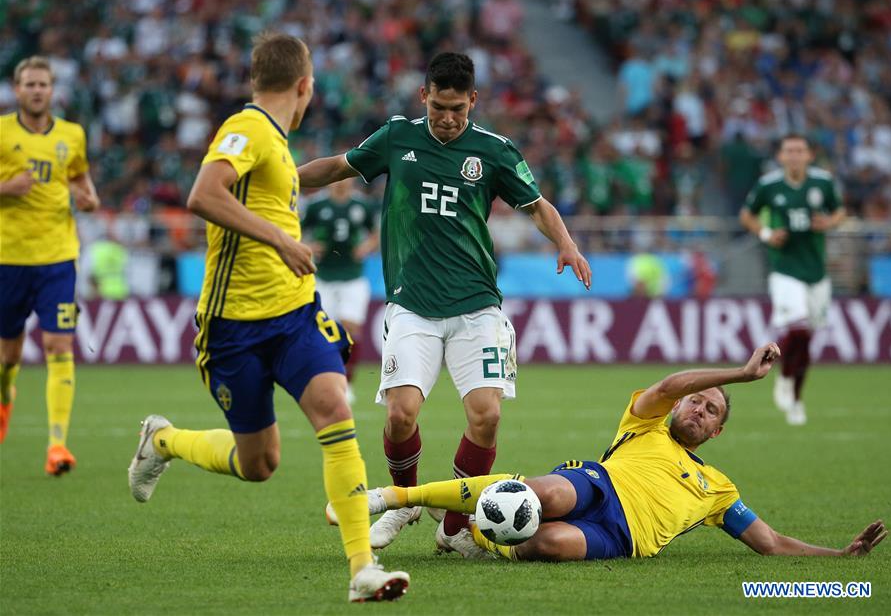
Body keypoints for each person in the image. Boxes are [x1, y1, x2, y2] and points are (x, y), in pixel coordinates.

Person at [126, 32, 408, 603]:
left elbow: (285, 184)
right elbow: (204, 194)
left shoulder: (276, 143)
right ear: (304, 86)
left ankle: (362, 569)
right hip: (232, 327)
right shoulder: (250, 129)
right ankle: (164, 442)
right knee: (259, 464)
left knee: (334, 407)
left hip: (295, 314)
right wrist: (279, 236)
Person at [297, 52, 592, 556]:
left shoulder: (495, 151)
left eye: (458, 108)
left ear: (473, 101)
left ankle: (454, 527)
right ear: (424, 97)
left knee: (487, 417)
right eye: (439, 107)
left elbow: (536, 205)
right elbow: (337, 167)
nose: (448, 118)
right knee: (400, 414)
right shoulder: (397, 137)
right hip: (412, 304)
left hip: (477, 304)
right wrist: (278, 177)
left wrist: (565, 242)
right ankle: (404, 504)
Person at [337, 343, 887, 562]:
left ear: (717, 433)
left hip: (624, 538)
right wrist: (739, 376)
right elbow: (671, 383)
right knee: (544, 494)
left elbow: (768, 543)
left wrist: (839, 558)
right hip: (599, 482)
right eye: (696, 401)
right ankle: (397, 497)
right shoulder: (646, 424)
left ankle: (461, 532)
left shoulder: (718, 489)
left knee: (549, 543)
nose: (698, 408)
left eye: (712, 410)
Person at [0, 56, 100, 475]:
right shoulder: (2, 132)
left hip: (59, 258)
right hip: (9, 258)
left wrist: (88, 197)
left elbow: (79, 177)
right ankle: (6, 399)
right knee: (8, 357)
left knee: (59, 347)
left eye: (43, 84)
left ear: (52, 90)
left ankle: (57, 446)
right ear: (17, 90)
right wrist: (7, 187)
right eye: (29, 84)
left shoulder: (72, 135)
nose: (37, 90)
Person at [740, 134, 846, 426]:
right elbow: (747, 215)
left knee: (807, 337)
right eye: (790, 150)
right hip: (785, 269)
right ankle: (784, 377)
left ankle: (797, 399)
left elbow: (840, 210)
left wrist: (830, 222)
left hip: (817, 272)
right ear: (781, 156)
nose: (795, 155)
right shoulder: (769, 185)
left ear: (809, 155)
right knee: (797, 329)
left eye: (800, 150)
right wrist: (766, 234)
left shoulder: (822, 182)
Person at [302, 178, 379, 404]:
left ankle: (347, 384)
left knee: (350, 328)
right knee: (323, 332)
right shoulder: (316, 205)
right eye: (338, 178)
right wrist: (309, 247)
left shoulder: (361, 205)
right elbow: (296, 232)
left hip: (353, 278)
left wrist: (366, 247)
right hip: (323, 277)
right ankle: (323, 383)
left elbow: (375, 234)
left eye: (347, 178)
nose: (342, 182)